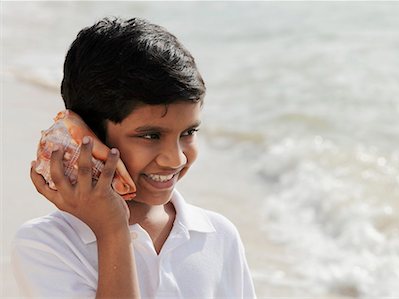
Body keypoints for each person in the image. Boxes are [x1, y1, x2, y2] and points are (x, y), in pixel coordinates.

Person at [12, 17, 256, 298]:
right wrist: (113, 232)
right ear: (87, 134)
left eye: (188, 132)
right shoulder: (47, 245)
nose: (175, 159)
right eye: (151, 136)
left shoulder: (219, 236)